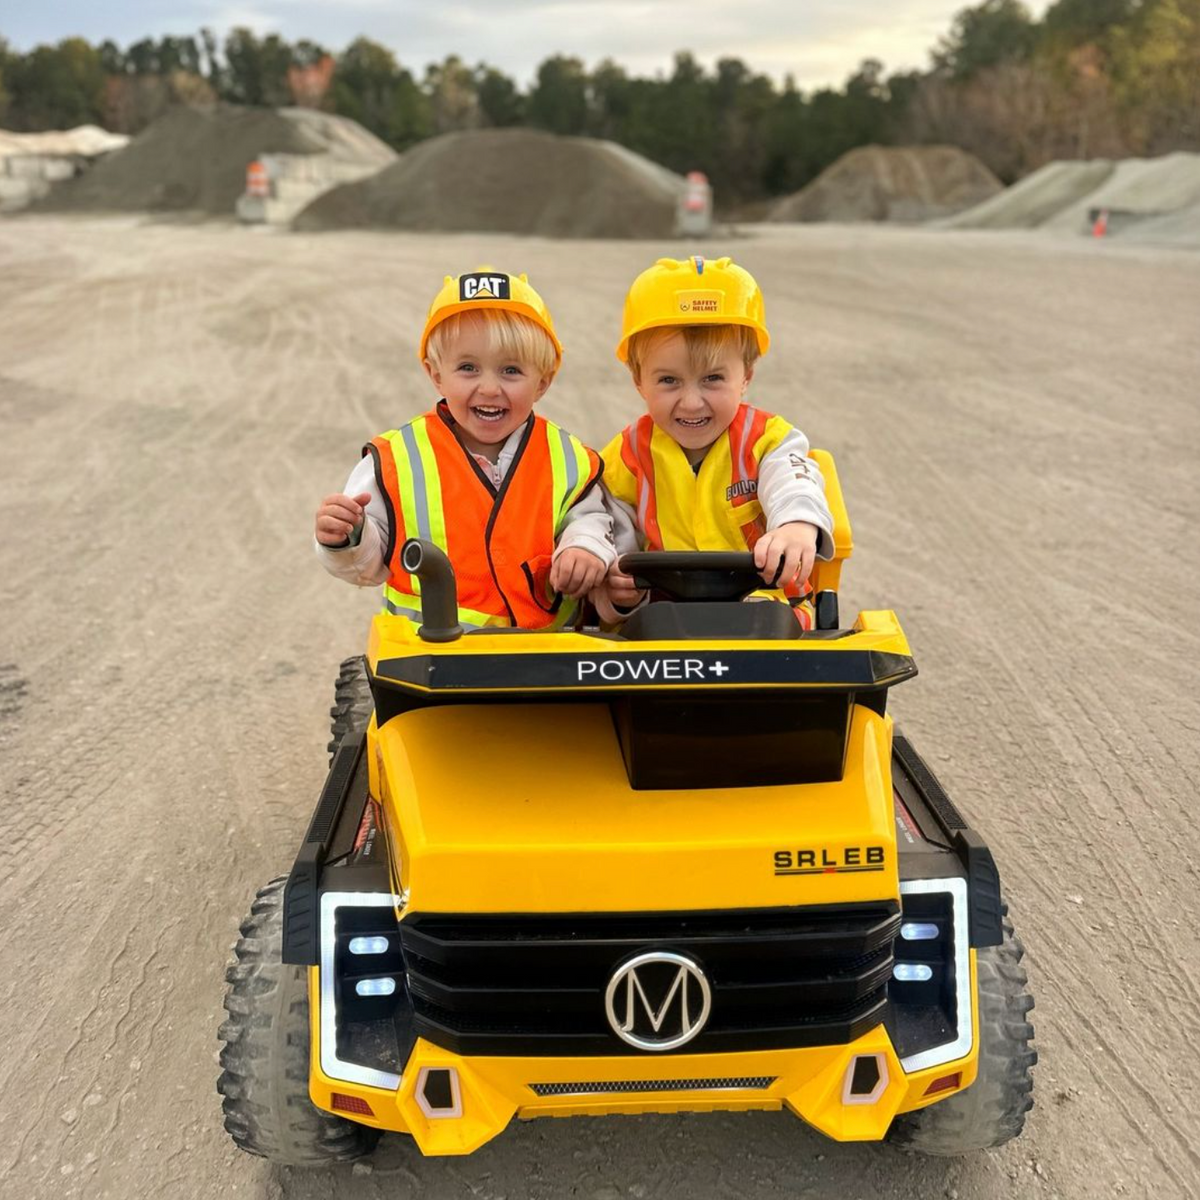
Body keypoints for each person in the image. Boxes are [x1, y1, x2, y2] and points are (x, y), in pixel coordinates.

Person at [315, 270, 613, 629]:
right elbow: (366, 567)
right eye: (468, 368)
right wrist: (348, 537)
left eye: (511, 371)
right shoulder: (396, 460)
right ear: (436, 374)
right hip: (428, 663)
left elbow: (592, 519)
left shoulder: (568, 459)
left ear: (543, 382)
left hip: (546, 656)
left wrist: (584, 547)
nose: (489, 388)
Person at [598, 255, 834, 624]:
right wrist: (616, 583)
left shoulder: (769, 441)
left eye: (712, 379)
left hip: (766, 607)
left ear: (746, 377)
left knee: (765, 621)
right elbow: (612, 527)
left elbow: (795, 486)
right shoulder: (626, 456)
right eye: (669, 381)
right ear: (638, 381)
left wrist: (796, 526)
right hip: (661, 618)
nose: (692, 401)